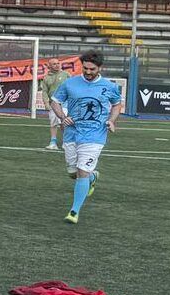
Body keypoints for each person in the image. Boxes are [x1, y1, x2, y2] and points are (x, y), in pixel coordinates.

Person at [50, 50, 123, 224]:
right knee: (73, 173)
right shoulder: (70, 83)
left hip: (95, 135)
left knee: (82, 171)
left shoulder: (109, 86)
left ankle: (74, 211)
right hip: (71, 134)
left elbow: (116, 104)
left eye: (92, 69)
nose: (88, 72)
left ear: (100, 68)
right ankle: (92, 177)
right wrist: (62, 117)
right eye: (85, 68)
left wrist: (112, 120)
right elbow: (55, 101)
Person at [39, 59, 70, 150]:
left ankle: (66, 142)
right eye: (54, 64)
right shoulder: (46, 77)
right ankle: (53, 142)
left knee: (63, 122)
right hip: (53, 103)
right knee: (53, 123)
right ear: (49, 66)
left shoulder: (66, 75)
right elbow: (44, 91)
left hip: (65, 103)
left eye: (58, 63)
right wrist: (46, 103)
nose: (57, 65)